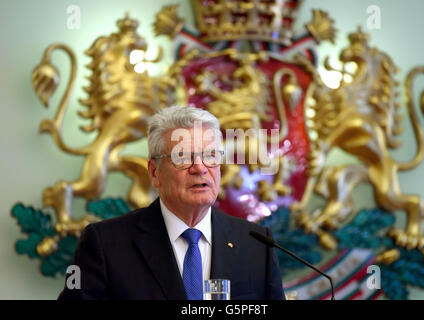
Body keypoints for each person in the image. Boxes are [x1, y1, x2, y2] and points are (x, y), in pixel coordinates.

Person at [58, 105, 285, 300]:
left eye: (210, 155)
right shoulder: (104, 244)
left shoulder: (257, 245)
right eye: (183, 157)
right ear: (155, 172)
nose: (200, 167)